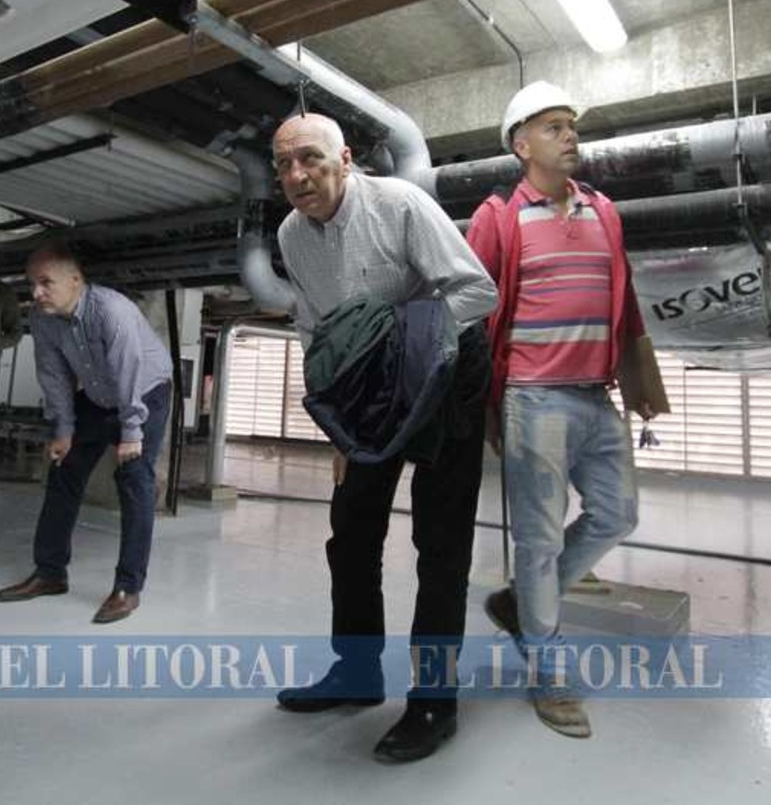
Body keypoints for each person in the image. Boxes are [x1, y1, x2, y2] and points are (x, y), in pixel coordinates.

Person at [270, 113, 498, 764]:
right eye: (282, 164)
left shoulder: (398, 203)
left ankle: (433, 701)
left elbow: (477, 289)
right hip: (371, 380)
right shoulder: (291, 233)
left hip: (450, 368)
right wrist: (340, 425)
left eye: (309, 159)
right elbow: (316, 327)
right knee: (352, 532)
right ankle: (356, 672)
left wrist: (401, 341)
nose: (295, 176)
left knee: (440, 542)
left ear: (344, 159)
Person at [466, 80, 669, 739]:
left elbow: (626, 300)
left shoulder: (604, 211)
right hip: (534, 397)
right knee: (538, 538)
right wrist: (483, 407)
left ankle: (522, 605)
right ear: (521, 144)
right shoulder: (498, 218)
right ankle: (548, 674)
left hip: (595, 393)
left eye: (571, 125)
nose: (569, 136)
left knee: (618, 513)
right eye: (553, 127)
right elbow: (473, 313)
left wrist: (642, 379)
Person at [0, 243, 172, 626]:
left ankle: (128, 588)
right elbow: (53, 375)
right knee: (63, 471)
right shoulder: (43, 319)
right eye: (32, 284)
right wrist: (64, 428)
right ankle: (50, 573)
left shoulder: (112, 310)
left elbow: (129, 372)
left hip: (145, 392)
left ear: (75, 281)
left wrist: (131, 431)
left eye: (46, 283)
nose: (36, 292)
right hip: (96, 395)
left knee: (134, 480)